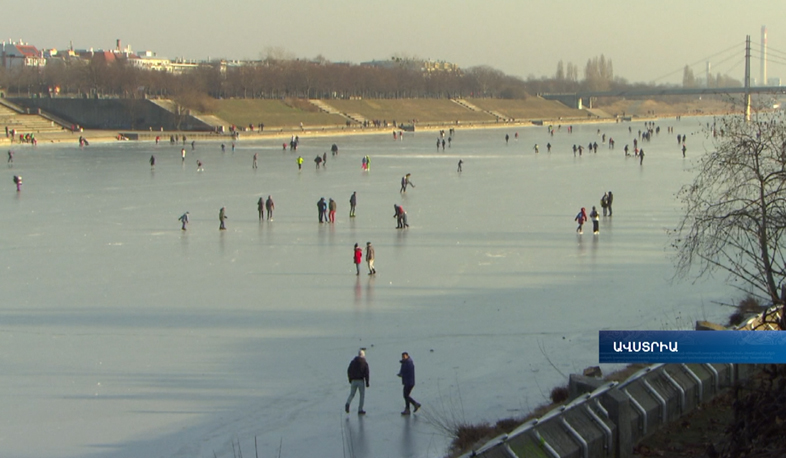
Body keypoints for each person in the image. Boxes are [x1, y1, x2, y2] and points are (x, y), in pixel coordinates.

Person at [345, 349, 370, 415]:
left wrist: (350, 379)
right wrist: (367, 382)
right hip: (360, 381)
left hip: (353, 380)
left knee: (352, 394)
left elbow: (349, 370)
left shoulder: (353, 362)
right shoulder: (364, 363)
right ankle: (360, 409)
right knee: (362, 395)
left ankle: (348, 403)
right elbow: (367, 373)